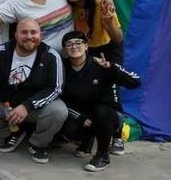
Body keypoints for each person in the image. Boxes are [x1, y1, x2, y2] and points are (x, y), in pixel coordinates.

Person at [0, 18, 68, 164]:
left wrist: (27, 106)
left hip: (34, 107)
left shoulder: (51, 56)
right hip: (5, 105)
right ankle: (13, 133)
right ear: (15, 35)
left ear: (40, 35)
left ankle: (38, 144)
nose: (29, 36)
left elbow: (56, 88)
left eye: (34, 32)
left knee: (59, 111)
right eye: (24, 32)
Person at [59, 31, 140, 172]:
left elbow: (135, 82)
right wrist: (80, 118)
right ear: (65, 50)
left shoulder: (100, 63)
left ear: (86, 46)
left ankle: (102, 156)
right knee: (69, 129)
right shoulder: (61, 68)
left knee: (102, 112)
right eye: (69, 44)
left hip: (107, 115)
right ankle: (87, 139)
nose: (74, 47)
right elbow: (60, 97)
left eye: (78, 43)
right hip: (82, 113)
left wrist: (110, 68)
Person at [65, 0, 128, 153]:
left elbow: (117, 38)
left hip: (108, 49)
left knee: (111, 92)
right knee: (89, 93)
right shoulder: (70, 7)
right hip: (87, 50)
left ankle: (117, 136)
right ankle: (90, 135)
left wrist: (108, 23)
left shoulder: (102, 6)